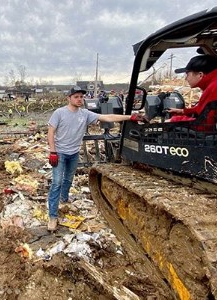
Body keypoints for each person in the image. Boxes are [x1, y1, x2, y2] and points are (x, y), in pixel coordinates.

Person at [47, 86, 147, 231]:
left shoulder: (85, 114)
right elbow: (50, 132)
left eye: (82, 97)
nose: (80, 99)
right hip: (60, 153)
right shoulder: (59, 113)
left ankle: (64, 200)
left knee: (68, 179)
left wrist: (130, 116)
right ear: (69, 98)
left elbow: (108, 117)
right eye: (76, 97)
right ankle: (52, 216)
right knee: (57, 182)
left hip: (74, 153)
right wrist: (53, 151)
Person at [168, 55, 217, 128]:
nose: (186, 78)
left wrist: (174, 120)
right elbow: (207, 109)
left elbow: (206, 126)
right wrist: (184, 111)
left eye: (187, 74)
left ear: (200, 75)